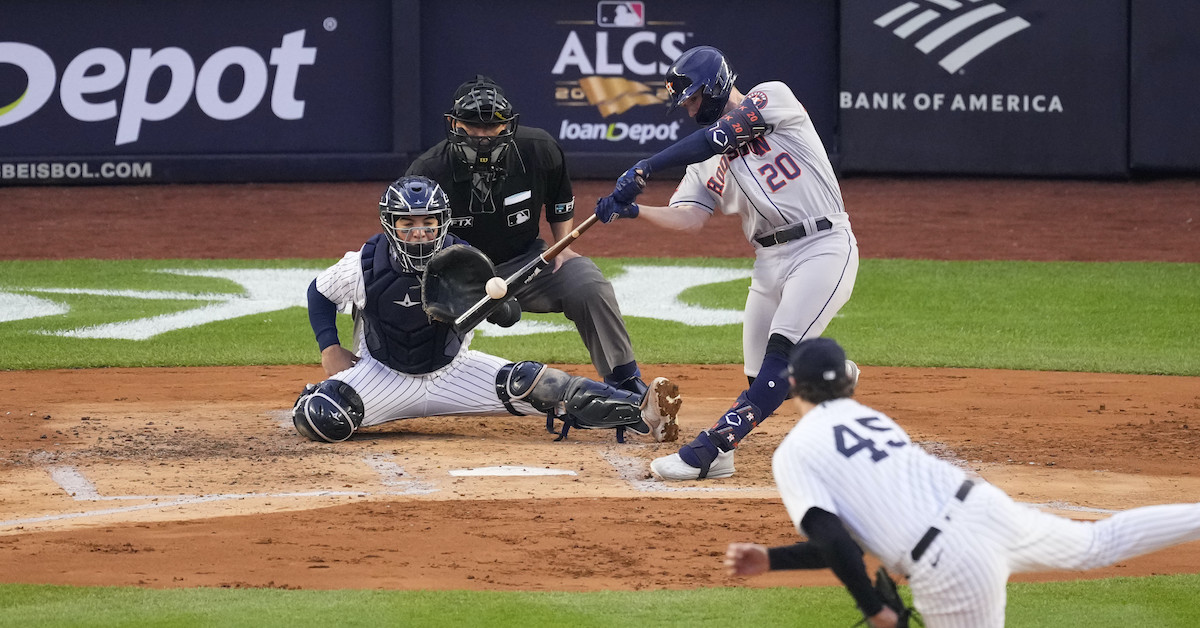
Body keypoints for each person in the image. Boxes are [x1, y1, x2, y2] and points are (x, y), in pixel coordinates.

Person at [723, 337, 1200, 628]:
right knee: (1098, 542)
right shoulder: (874, 419)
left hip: (949, 563)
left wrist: (874, 609)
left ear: (793, 386)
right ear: (846, 384)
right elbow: (843, 542)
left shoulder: (797, 451)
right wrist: (772, 559)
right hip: (987, 510)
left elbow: (835, 540)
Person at [593, 46, 859, 480]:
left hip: (823, 244)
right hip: (769, 260)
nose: (690, 108)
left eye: (694, 98)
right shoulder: (705, 165)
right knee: (760, 382)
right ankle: (829, 375)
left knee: (778, 362)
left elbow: (719, 137)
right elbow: (691, 217)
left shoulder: (771, 97)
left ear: (716, 85)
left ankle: (713, 449)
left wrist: (646, 166)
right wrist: (635, 211)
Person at [292, 175, 681, 444]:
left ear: (443, 222)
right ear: (390, 224)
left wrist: (498, 307)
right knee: (320, 419)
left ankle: (643, 411)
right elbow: (319, 292)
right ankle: (314, 395)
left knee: (538, 384)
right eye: (407, 224)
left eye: (428, 223)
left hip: (455, 372)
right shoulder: (366, 262)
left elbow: (507, 314)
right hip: (382, 374)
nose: (419, 232)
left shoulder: (464, 260)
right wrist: (330, 347)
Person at [406, 75, 653, 400]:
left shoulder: (539, 150)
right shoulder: (428, 171)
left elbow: (560, 202)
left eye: (491, 127)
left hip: (526, 264)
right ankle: (384, 381)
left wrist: (563, 247)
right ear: (453, 123)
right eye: (472, 126)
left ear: (509, 125)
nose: (482, 136)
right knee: (395, 290)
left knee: (586, 281)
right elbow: (410, 238)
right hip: (455, 276)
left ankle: (625, 383)